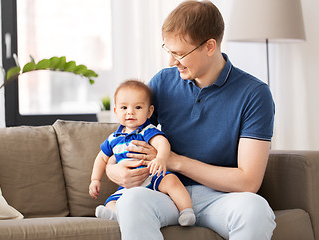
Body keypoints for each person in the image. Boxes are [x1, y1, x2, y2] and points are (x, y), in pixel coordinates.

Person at [105, 1, 277, 240]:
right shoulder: (163, 82)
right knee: (131, 200)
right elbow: (123, 139)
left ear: (209, 46)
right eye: (169, 51)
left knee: (255, 209)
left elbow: (248, 181)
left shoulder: (254, 94)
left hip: (220, 198)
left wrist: (175, 161)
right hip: (164, 192)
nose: (171, 62)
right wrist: (112, 169)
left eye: (180, 54)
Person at [89, 80, 196, 226]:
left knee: (172, 182)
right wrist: (95, 179)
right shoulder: (113, 138)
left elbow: (162, 143)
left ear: (149, 111)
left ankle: (186, 211)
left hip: (153, 176)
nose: (130, 112)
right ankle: (115, 214)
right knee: (111, 201)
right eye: (124, 107)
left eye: (138, 107)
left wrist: (160, 159)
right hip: (128, 185)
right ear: (116, 111)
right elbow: (101, 158)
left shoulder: (146, 130)